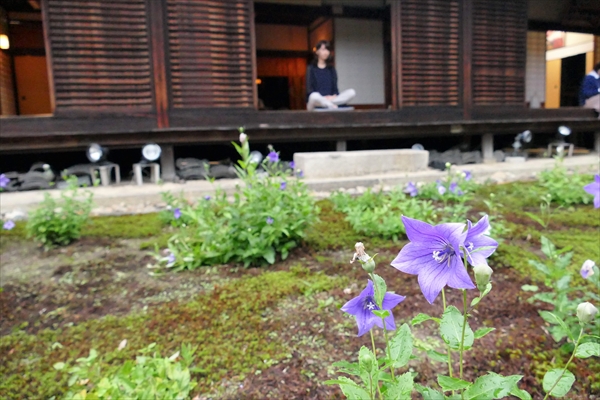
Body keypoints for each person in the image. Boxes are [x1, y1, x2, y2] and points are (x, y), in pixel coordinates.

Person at [306, 40, 356, 111]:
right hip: (317, 101)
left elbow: (335, 89)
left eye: (327, 49)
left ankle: (329, 104)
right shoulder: (311, 68)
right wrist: (324, 98)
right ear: (317, 52)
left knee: (352, 92)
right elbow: (309, 90)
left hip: (331, 99)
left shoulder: (331, 69)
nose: (326, 52)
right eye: (323, 49)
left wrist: (333, 96)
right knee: (313, 96)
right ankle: (331, 105)